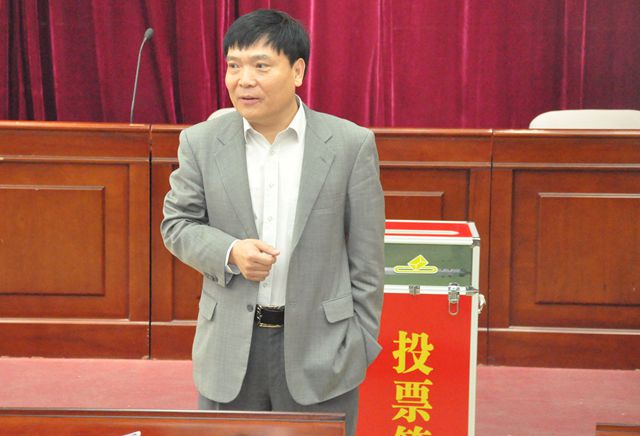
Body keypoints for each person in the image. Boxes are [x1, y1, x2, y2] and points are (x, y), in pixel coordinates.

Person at [161, 9, 384, 435]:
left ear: (297, 71)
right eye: (234, 66)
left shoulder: (349, 145)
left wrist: (357, 343)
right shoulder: (201, 142)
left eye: (261, 66)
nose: (244, 80)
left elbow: (367, 258)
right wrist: (230, 252)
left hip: (322, 351)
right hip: (229, 349)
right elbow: (177, 224)